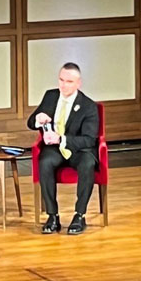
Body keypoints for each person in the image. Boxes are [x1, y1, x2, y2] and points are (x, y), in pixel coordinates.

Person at [27, 62, 99, 235]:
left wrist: (62, 138)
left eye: (69, 81)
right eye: (61, 80)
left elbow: (89, 140)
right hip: (55, 149)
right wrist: (38, 118)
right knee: (44, 162)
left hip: (78, 150)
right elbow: (30, 123)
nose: (63, 85)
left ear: (78, 83)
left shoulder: (89, 106)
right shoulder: (51, 96)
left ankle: (79, 215)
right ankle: (53, 216)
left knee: (87, 164)